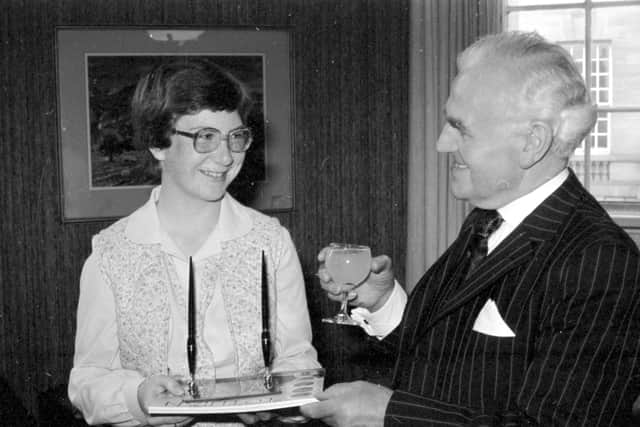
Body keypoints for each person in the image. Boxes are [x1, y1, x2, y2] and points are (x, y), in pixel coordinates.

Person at [301, 31, 640, 426]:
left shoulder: (600, 262)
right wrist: (383, 302)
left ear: (532, 142)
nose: (443, 143)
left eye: (460, 128)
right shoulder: (489, 218)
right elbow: (453, 363)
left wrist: (390, 413)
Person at [69, 59, 320, 426]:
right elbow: (87, 379)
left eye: (236, 137)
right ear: (158, 143)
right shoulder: (111, 253)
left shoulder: (271, 243)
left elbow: (297, 358)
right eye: (205, 137)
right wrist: (138, 398)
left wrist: (281, 402)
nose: (225, 157)